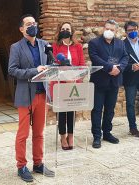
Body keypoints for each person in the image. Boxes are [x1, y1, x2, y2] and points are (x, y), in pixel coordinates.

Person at [8, 14, 55, 182]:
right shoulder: (16, 47)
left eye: (34, 23)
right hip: (25, 95)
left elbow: (51, 64)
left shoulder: (44, 45)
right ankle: (21, 166)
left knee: (39, 133)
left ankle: (38, 163)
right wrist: (35, 70)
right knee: (23, 134)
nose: (32, 26)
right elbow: (12, 70)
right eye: (29, 24)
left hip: (42, 93)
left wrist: (54, 67)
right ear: (21, 29)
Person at [88, 19, 128, 149]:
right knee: (97, 110)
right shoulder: (94, 43)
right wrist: (110, 67)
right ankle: (97, 136)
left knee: (110, 110)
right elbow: (94, 58)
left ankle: (107, 133)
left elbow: (125, 57)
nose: (109, 31)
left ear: (116, 31)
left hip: (114, 81)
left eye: (112, 29)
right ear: (103, 28)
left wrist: (120, 68)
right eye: (107, 28)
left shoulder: (120, 44)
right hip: (99, 81)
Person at [52, 21, 85, 150]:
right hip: (60, 84)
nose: (66, 30)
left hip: (74, 84)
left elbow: (82, 65)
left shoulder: (78, 47)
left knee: (71, 111)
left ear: (72, 31)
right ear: (60, 31)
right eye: (63, 28)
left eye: (68, 29)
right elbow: (54, 65)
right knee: (61, 112)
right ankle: (62, 136)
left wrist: (76, 79)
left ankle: (71, 136)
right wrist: (66, 78)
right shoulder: (55, 46)